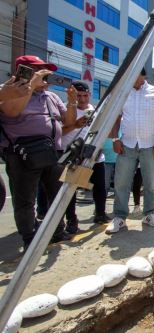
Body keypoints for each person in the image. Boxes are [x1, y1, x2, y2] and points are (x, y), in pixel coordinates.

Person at [0, 55, 77, 250]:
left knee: (57, 195)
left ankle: (57, 232)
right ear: (23, 72)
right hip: (22, 155)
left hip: (51, 152)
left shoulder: (50, 96)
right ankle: (30, 239)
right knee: (25, 199)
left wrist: (72, 102)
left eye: (45, 71)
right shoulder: (10, 92)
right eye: (38, 71)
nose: (44, 76)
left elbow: (68, 122)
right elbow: (12, 112)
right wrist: (30, 87)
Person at [107, 68, 154, 234]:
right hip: (126, 144)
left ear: (143, 75)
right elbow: (116, 116)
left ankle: (149, 214)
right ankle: (119, 217)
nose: (131, 78)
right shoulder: (123, 92)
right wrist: (115, 139)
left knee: (150, 183)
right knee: (121, 182)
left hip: (150, 145)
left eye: (135, 75)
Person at [59, 81, 109, 232]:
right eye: (78, 96)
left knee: (100, 187)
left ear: (89, 95)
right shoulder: (66, 109)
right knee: (70, 190)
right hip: (72, 156)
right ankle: (71, 220)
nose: (82, 99)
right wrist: (74, 124)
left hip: (93, 156)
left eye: (85, 96)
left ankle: (100, 214)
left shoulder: (95, 111)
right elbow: (59, 132)